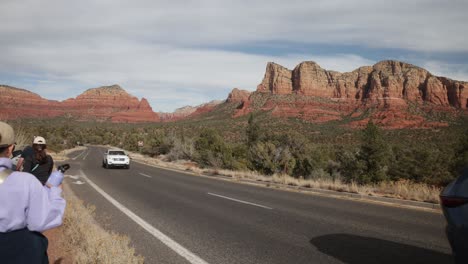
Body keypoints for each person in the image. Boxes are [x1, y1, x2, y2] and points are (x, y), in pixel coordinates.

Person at [0, 121, 66, 263]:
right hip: (14, 249)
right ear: (10, 148)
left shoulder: (28, 161)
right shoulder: (26, 181)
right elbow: (41, 222)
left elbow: (26, 168)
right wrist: (55, 194)